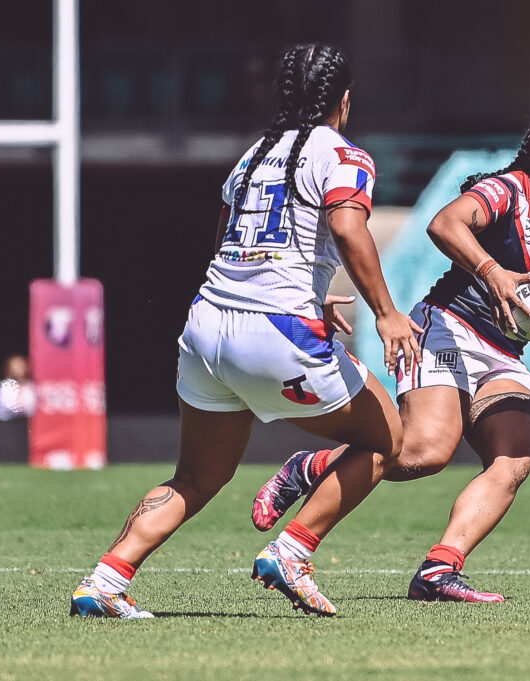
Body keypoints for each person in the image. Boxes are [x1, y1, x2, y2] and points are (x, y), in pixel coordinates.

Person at [70, 43, 420, 619]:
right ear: (345, 101)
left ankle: (104, 580)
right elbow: (349, 228)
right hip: (276, 331)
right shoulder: (346, 155)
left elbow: (226, 244)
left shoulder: (251, 156)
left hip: (207, 325)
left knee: (198, 475)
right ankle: (293, 550)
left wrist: (300, 295)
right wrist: (383, 311)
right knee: (387, 438)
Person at [252, 104, 530, 602]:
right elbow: (443, 224)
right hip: (448, 326)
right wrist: (493, 272)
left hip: (505, 351)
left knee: (514, 460)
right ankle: (310, 466)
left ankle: (440, 570)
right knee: (425, 452)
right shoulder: (509, 190)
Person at [0, 354, 35, 421]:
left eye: (21, 365)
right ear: (9, 367)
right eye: (16, 365)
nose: (19, 368)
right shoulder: (2, 387)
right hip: (7, 425)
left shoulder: (31, 387)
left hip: (28, 424)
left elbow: (34, 408)